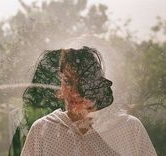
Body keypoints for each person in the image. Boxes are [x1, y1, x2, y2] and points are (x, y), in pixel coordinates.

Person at [19, 46, 157, 156]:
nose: (75, 92)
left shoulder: (129, 128)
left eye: (84, 82)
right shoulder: (42, 130)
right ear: (60, 85)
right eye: (68, 81)